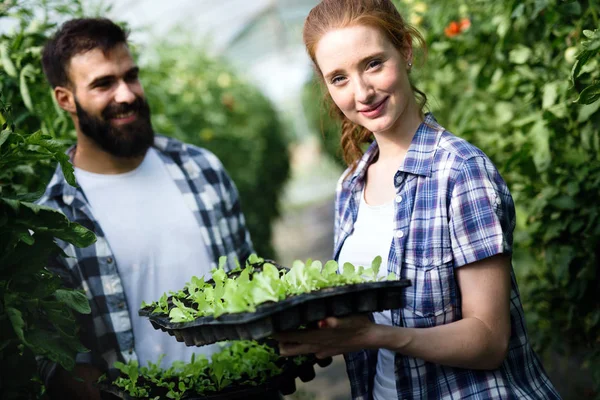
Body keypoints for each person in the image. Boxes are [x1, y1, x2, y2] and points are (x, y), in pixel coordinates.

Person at [274, 1, 561, 399]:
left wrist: (376, 335)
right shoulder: (351, 187)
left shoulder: (460, 171)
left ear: (405, 51)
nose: (362, 92)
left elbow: (490, 341)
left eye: (373, 63)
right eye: (339, 78)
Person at [37, 18, 253, 399]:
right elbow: (65, 358)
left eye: (130, 76)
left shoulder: (201, 168)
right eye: (103, 84)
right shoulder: (56, 219)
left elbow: (250, 279)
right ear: (65, 99)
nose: (126, 94)